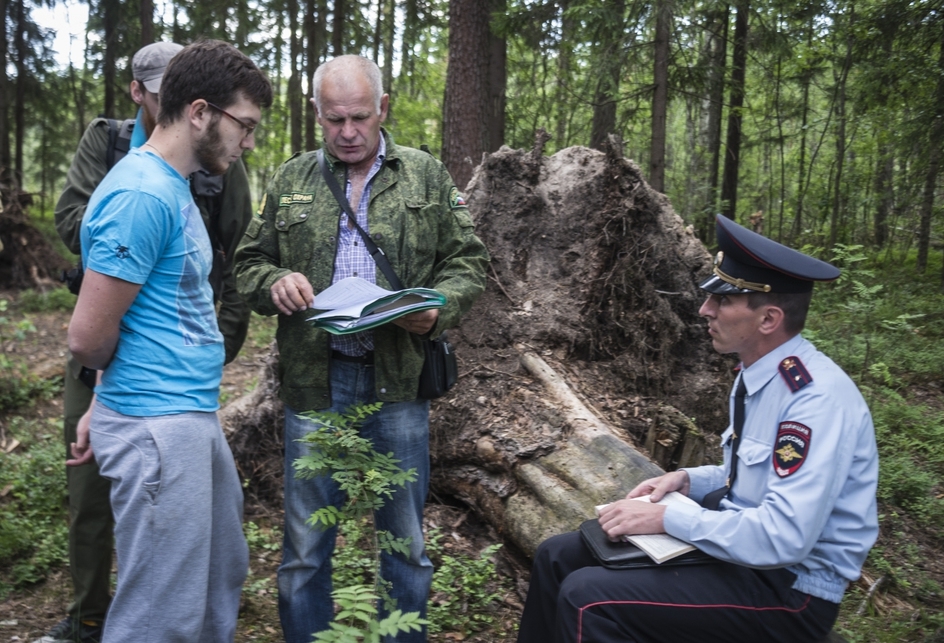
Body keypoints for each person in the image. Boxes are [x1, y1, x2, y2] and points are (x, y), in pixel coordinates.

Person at [516, 215, 879, 643]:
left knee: (588, 597)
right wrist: (689, 479)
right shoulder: (757, 373)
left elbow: (785, 539)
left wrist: (667, 519)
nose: (705, 309)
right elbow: (749, 475)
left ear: (768, 320)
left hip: (790, 590)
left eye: (724, 301)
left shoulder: (814, 400)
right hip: (742, 555)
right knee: (558, 556)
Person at [234, 55, 489, 642]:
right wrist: (273, 281)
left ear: (382, 109)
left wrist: (440, 307)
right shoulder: (293, 179)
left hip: (397, 385)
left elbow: (469, 260)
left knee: (404, 546)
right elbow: (248, 262)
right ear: (317, 116)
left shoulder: (425, 175)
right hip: (315, 384)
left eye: (357, 118)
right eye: (332, 120)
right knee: (304, 548)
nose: (346, 133)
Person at [40, 41, 255, 643]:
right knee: (160, 614)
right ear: (200, 112)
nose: (249, 142)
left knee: (217, 572)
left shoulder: (173, 183)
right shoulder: (141, 194)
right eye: (245, 125)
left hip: (183, 411)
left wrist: (104, 401)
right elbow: (87, 335)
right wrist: (116, 402)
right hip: (158, 425)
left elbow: (141, 315)